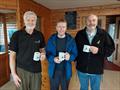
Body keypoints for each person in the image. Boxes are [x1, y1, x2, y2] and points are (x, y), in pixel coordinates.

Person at [75, 14, 115, 90]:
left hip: (96, 69)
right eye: (89, 20)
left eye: (94, 20)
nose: (91, 22)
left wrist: (99, 51)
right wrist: (75, 59)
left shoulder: (103, 34)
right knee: (83, 88)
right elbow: (74, 48)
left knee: (95, 88)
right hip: (82, 69)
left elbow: (111, 48)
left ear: (97, 22)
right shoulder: (79, 34)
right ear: (86, 22)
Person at [9, 11, 46, 90]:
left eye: (33, 20)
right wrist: (13, 74)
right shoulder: (17, 35)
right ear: (24, 21)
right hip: (22, 70)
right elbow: (12, 56)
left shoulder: (39, 34)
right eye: (28, 20)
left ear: (35, 21)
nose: (30, 22)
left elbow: (42, 49)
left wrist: (43, 54)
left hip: (36, 70)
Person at [46, 19, 77, 90]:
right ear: (56, 28)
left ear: (66, 28)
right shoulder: (51, 39)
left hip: (66, 71)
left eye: (63, 27)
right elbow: (48, 53)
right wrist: (53, 59)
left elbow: (75, 54)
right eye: (59, 26)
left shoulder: (71, 40)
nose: (61, 29)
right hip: (54, 71)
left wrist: (70, 57)